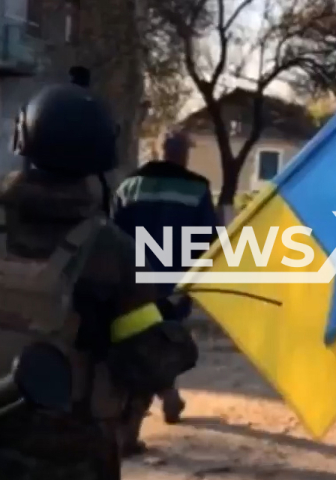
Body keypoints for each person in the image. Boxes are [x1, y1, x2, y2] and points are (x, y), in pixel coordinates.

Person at [0, 81, 197, 479]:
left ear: (22, 140)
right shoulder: (113, 252)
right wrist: (174, 334)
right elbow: (149, 364)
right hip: (71, 463)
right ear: (99, 159)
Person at [112, 130, 218, 457]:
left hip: (131, 282)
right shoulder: (197, 187)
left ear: (159, 151)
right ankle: (163, 398)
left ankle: (160, 400)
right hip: (174, 284)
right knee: (162, 342)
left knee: (137, 344)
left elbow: (112, 232)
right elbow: (208, 240)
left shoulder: (129, 186)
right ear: (183, 154)